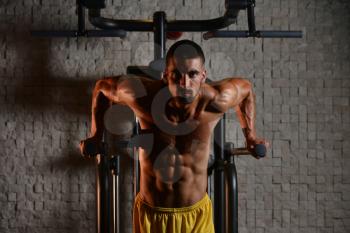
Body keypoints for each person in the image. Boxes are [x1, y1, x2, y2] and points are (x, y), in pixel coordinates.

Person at [80, 40, 268, 233]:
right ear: (165, 76)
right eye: (176, 75)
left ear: (203, 75)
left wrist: (251, 137)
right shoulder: (143, 97)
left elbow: (246, 90)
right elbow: (102, 88)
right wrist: (96, 135)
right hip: (153, 216)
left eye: (192, 74)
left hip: (196, 218)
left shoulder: (216, 101)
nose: (184, 83)